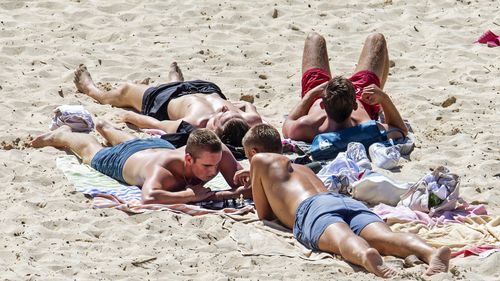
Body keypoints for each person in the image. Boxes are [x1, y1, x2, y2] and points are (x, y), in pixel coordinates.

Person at [241, 125, 450, 278]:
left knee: (342, 240)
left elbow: (265, 214)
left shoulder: (259, 160)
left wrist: (249, 185)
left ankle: (364, 255)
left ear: (253, 152)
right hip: (341, 201)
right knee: (386, 237)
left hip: (312, 209)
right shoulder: (302, 168)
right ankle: (431, 253)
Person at [31, 120, 250, 204]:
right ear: (188, 158)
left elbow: (243, 186)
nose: (214, 172)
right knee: (91, 152)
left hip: (157, 147)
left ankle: (107, 128)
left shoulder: (216, 151)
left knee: (134, 142)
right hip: (124, 160)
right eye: (207, 167)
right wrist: (187, 195)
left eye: (216, 164)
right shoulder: (164, 172)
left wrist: (243, 180)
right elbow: (148, 197)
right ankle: (61, 135)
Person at [74, 62, 263, 147]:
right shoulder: (250, 119)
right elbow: (249, 107)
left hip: (165, 98)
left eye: (222, 116)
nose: (224, 108)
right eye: (231, 112)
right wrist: (239, 107)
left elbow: (157, 125)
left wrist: (132, 117)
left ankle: (91, 89)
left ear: (214, 131)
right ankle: (175, 80)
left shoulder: (195, 125)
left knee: (124, 91)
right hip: (206, 88)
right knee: (189, 89)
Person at [282, 33, 408, 143]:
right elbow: (401, 130)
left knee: (314, 38)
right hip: (361, 96)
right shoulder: (366, 127)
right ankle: (376, 106)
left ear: (322, 106)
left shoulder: (307, 127)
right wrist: (383, 98)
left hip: (324, 93)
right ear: (355, 106)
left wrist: (310, 95)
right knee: (376, 38)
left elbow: (287, 124)